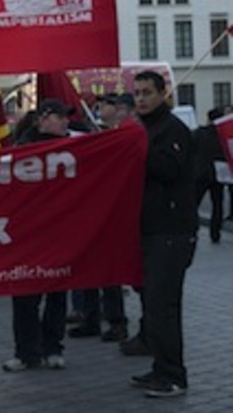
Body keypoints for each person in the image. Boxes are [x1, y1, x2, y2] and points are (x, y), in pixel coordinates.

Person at [127, 70, 197, 398]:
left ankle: (173, 376)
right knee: (152, 306)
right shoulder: (147, 128)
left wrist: (138, 148)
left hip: (171, 232)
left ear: (162, 94)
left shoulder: (173, 130)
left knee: (163, 305)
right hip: (150, 229)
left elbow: (169, 169)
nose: (140, 98)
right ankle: (160, 367)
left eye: (146, 93)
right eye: (137, 93)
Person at [3, 99, 71, 372]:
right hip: (29, 234)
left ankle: (52, 346)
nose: (66, 121)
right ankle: (26, 351)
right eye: (60, 116)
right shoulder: (22, 150)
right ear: (42, 119)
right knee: (25, 295)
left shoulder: (73, 147)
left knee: (57, 292)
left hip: (60, 231)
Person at [67, 95, 130, 343]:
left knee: (110, 272)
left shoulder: (124, 134)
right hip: (89, 211)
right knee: (89, 269)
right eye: (98, 105)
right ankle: (90, 318)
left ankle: (116, 322)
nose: (99, 109)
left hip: (111, 212)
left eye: (104, 105)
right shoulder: (91, 132)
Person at [193, 107, 226, 243]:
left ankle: (192, 230)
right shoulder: (222, 134)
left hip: (201, 173)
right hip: (218, 173)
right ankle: (215, 233)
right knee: (218, 204)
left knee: (194, 203)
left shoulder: (199, 133)